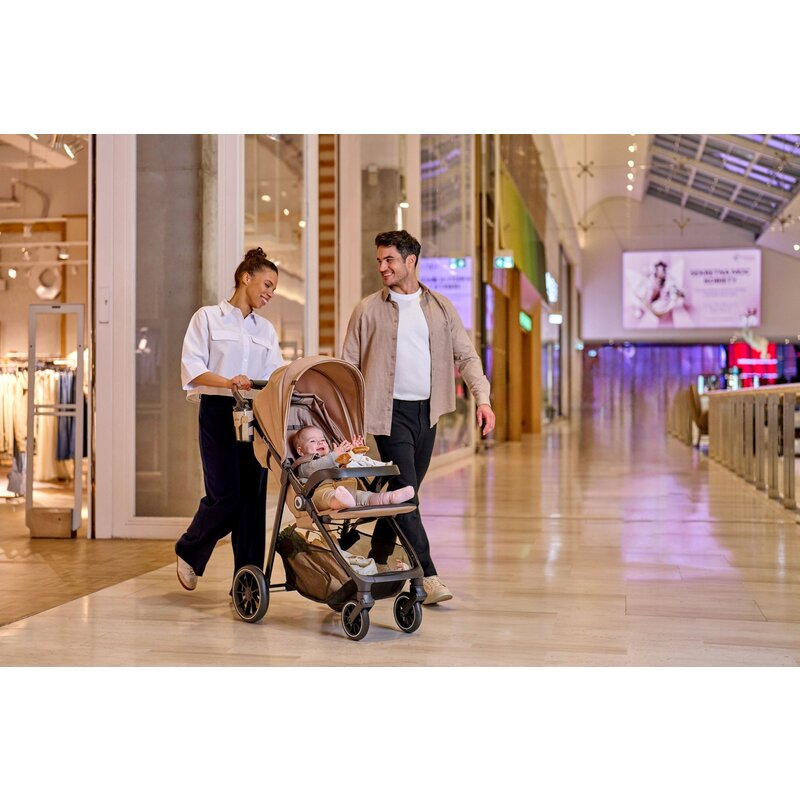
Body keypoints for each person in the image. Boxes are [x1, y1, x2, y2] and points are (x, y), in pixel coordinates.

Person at [341, 229, 495, 604]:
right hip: (387, 414)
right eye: (379, 260)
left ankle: (376, 560)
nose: (382, 267)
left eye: (389, 259)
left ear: (411, 261)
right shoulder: (367, 310)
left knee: (402, 494)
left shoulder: (440, 308)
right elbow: (347, 368)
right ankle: (427, 576)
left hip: (427, 413)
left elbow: (467, 356)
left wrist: (483, 399)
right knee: (407, 494)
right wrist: (344, 422)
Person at [175, 247, 284, 592]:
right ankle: (190, 550)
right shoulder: (207, 318)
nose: (270, 293)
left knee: (252, 502)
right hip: (218, 411)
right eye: (267, 284)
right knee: (225, 496)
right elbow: (193, 369)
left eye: (273, 289)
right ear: (245, 277)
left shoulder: (266, 330)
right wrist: (228, 382)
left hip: (257, 415)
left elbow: (275, 375)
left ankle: (247, 585)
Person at [293, 425, 415, 511]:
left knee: (363, 496)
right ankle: (341, 502)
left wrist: (354, 452)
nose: (320, 443)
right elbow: (318, 466)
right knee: (329, 497)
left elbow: (347, 463)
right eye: (312, 441)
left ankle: (388, 498)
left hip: (342, 489)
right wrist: (335, 455)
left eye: (322, 440)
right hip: (317, 493)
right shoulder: (304, 465)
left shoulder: (333, 458)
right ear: (301, 451)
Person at [633, 259, 685, 326]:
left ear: (664, 271)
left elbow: (674, 290)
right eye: (658, 270)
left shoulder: (669, 280)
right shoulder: (650, 279)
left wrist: (677, 294)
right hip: (650, 302)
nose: (660, 273)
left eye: (662, 270)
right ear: (655, 270)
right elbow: (643, 291)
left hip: (663, 303)